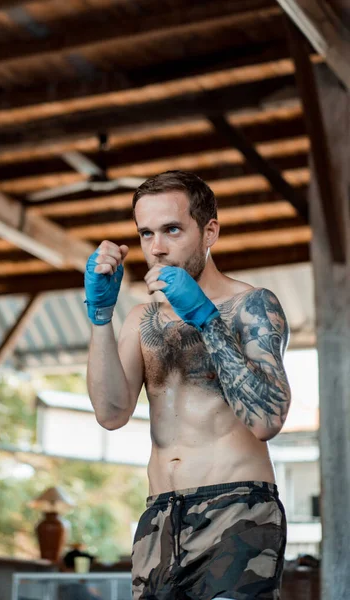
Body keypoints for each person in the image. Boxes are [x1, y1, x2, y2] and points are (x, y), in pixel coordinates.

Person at [85, 170, 291, 600]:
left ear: (209, 230)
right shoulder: (141, 319)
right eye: (146, 234)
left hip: (237, 509)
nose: (157, 248)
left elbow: (267, 420)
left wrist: (206, 319)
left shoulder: (251, 305)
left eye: (172, 230)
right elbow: (110, 414)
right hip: (160, 516)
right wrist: (100, 318)